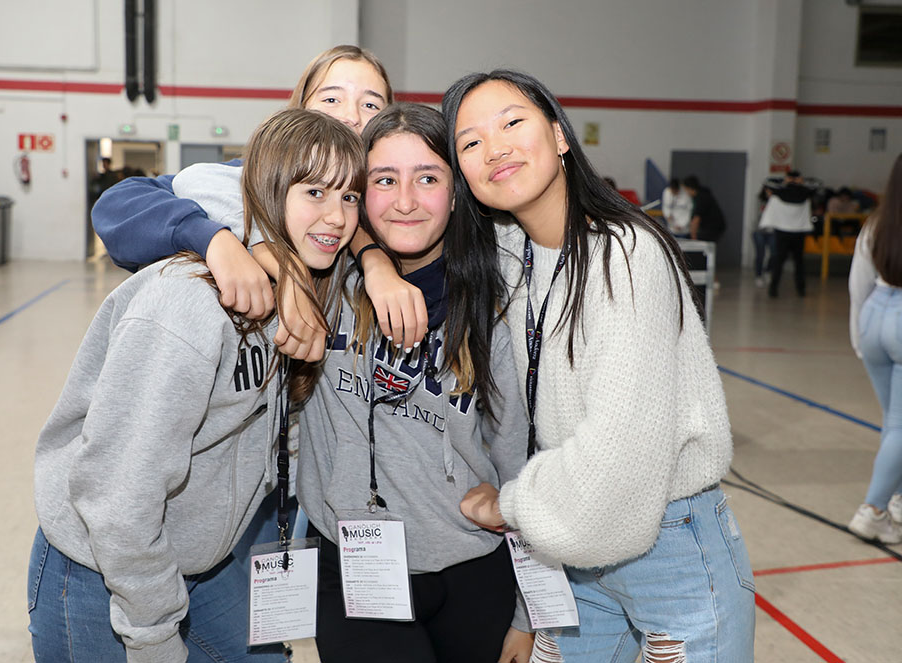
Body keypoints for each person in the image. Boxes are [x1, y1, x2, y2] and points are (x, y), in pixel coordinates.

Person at [363, 70, 751, 662]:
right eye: (471, 142)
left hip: (667, 544)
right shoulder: (507, 252)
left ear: (560, 135)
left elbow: (619, 452)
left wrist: (507, 505)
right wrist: (373, 263)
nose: (495, 148)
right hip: (568, 547)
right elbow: (365, 214)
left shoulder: (625, 256)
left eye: (512, 123)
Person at [170, 102, 532, 663]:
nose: (406, 201)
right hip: (351, 569)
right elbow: (192, 185)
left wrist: (529, 613)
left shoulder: (492, 303)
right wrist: (257, 253)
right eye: (384, 180)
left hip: (473, 566)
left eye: (428, 179)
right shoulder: (322, 275)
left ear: (458, 193)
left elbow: (516, 455)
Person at [28, 109, 365, 663]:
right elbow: (119, 497)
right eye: (315, 192)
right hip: (103, 573)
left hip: (203, 562)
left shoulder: (303, 287)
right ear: (267, 190)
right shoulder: (187, 306)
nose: (337, 216)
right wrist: (153, 635)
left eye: (350, 197)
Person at [92, 44, 393, 361]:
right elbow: (119, 204)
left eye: (371, 105)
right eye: (331, 99)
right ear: (300, 108)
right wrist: (217, 240)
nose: (351, 117)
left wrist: (376, 261)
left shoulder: (393, 202)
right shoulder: (250, 179)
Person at [847, 153, 902, 544]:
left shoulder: (876, 223)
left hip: (873, 315)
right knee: (900, 424)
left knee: (894, 421)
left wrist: (859, 338)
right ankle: (873, 510)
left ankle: (897, 498)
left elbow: (858, 285)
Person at [759, 170, 813, 298]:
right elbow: (816, 186)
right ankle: (801, 289)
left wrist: (785, 182)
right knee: (799, 262)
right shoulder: (805, 195)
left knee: (779, 261)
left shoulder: (778, 195)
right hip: (799, 231)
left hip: (782, 232)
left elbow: (767, 183)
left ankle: (773, 289)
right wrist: (801, 182)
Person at [682, 175, 726, 243]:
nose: (686, 193)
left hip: (712, 227)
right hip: (712, 227)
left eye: (686, 190)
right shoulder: (702, 194)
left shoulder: (701, 197)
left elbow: (696, 219)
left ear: (690, 188)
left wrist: (693, 238)